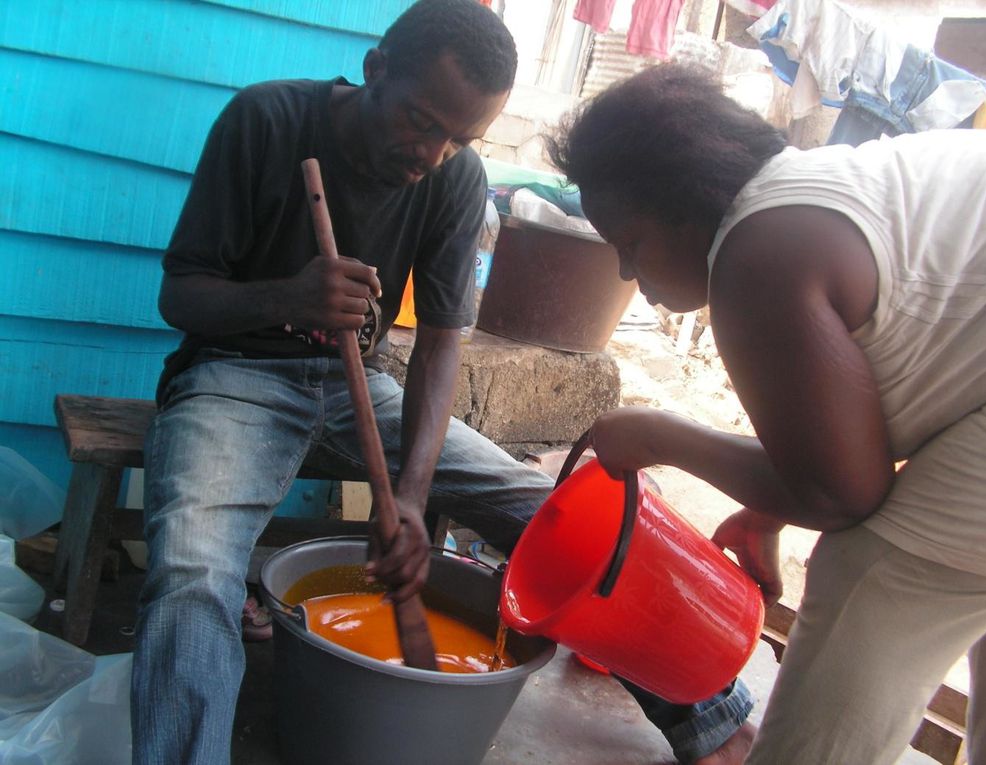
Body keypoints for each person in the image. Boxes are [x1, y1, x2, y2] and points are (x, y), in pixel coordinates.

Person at [133, 2, 755, 763]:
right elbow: (180, 294)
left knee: (551, 509)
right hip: (236, 377)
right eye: (421, 123)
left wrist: (409, 496)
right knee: (195, 567)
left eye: (461, 136)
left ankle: (712, 720)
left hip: (364, 383)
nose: (432, 152)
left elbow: (437, 348)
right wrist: (286, 296)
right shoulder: (265, 120)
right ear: (376, 69)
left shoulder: (456, 178)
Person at [547, 62, 986, 765]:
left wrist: (658, 435)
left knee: (878, 578)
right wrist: (774, 503)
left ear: (686, 202)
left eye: (631, 241)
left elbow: (843, 492)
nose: (624, 270)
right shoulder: (808, 195)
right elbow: (917, 378)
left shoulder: (759, 252)